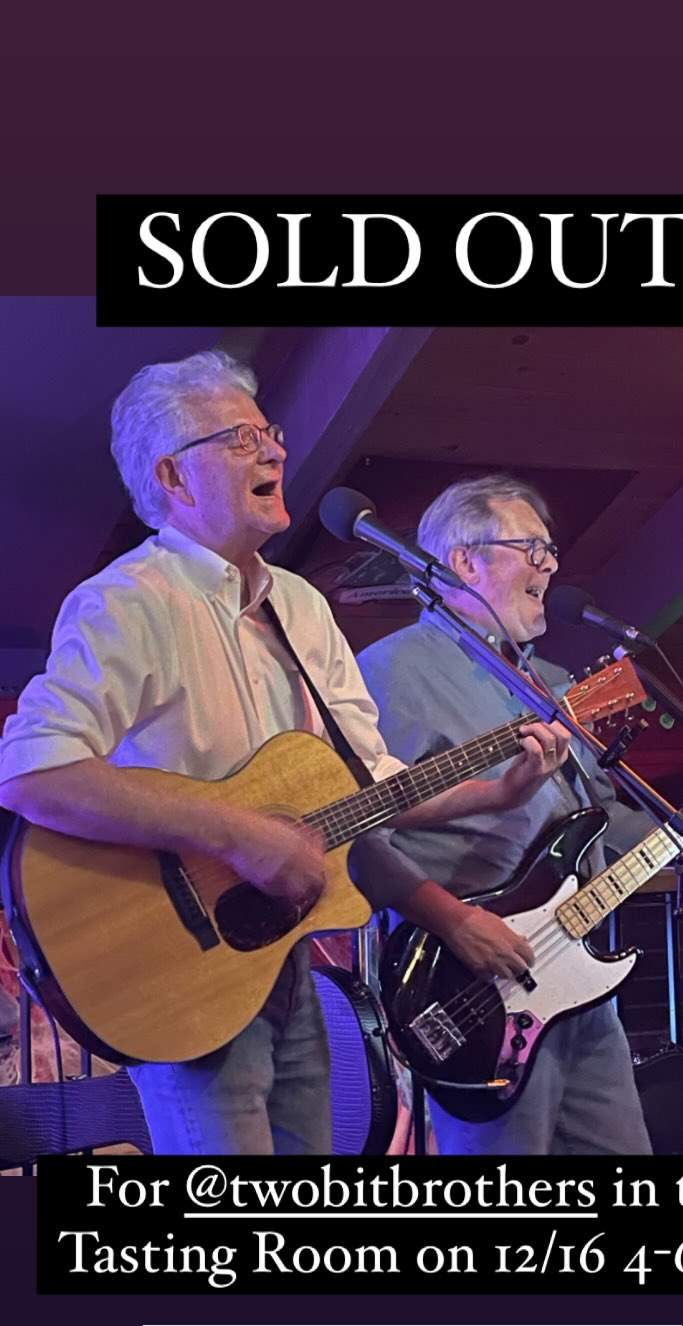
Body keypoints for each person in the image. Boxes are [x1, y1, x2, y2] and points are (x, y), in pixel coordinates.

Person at [0, 355, 572, 1156]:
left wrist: (497, 794)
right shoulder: (128, 602)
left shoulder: (300, 606)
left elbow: (371, 782)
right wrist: (237, 835)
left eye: (269, 432)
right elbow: (33, 771)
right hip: (177, 964)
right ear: (172, 474)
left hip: (282, 957)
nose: (276, 450)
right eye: (241, 439)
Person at [354, 473, 683, 1155]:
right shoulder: (387, 673)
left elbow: (602, 820)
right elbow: (360, 837)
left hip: (575, 976)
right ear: (463, 561)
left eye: (551, 550)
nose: (552, 566)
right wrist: (456, 921)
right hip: (473, 987)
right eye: (531, 549)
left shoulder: (557, 686)